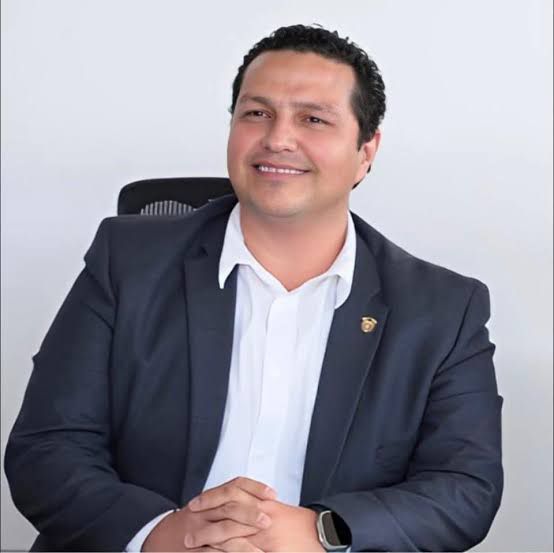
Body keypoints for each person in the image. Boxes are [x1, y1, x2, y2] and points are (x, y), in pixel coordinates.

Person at [5, 24, 503, 552]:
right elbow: (48, 445)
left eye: (313, 119)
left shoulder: (442, 309)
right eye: (256, 114)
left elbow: (463, 490)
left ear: (366, 150)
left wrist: (320, 533)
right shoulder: (127, 262)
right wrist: (160, 534)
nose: (278, 138)